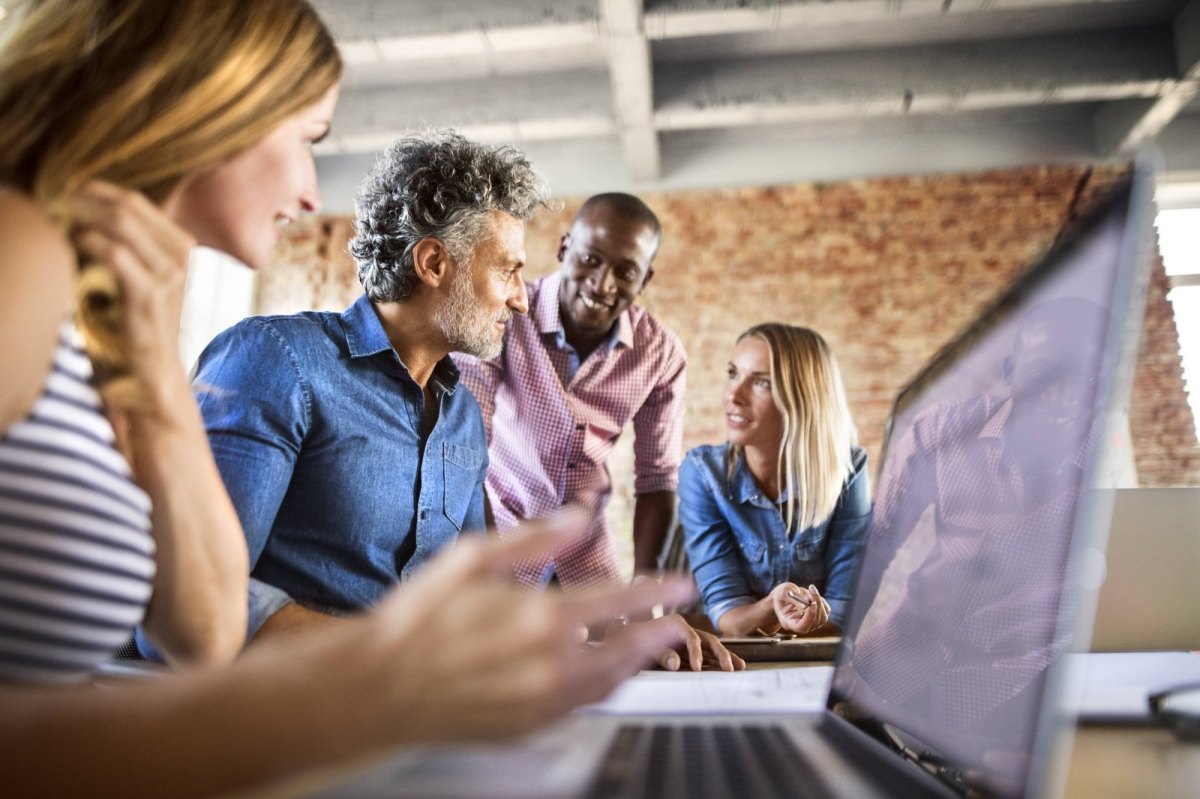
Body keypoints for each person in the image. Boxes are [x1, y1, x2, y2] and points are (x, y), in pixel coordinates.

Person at [0, 2, 699, 795]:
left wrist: (596, 632)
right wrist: (374, 679)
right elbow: (186, 643)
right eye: (309, 139)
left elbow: (203, 621)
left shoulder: (464, 412)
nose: (309, 190)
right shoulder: (258, 350)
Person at [184, 132, 738, 671]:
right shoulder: (277, 360)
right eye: (508, 269)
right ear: (432, 264)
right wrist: (403, 656)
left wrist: (620, 626)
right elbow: (193, 611)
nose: (523, 299)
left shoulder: (460, 419)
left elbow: (479, 602)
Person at [455, 193, 685, 588]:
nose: (602, 284)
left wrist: (646, 593)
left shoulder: (660, 354)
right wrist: (494, 573)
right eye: (590, 260)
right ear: (565, 248)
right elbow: (464, 447)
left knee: (618, 647)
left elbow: (657, 479)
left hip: (587, 562)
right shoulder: (504, 316)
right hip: (501, 540)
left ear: (644, 280)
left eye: (626, 272)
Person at [677, 323, 871, 636]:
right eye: (733, 373)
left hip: (810, 662)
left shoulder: (849, 470)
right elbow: (728, 615)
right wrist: (774, 605)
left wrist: (796, 623)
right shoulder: (702, 473)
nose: (733, 395)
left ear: (804, 397)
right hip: (728, 658)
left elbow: (844, 610)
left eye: (761, 383)